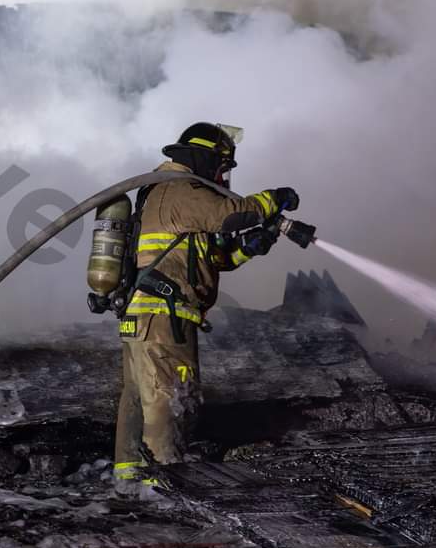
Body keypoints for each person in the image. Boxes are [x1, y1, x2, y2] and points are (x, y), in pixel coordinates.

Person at [114, 122, 299, 494]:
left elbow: (213, 259)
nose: (223, 175)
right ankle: (161, 485)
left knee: (139, 396)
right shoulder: (180, 189)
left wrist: (253, 245)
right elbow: (232, 213)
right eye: (221, 165)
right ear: (204, 157)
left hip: (146, 315)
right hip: (164, 316)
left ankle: (129, 478)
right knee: (169, 396)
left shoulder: (163, 193)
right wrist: (275, 198)